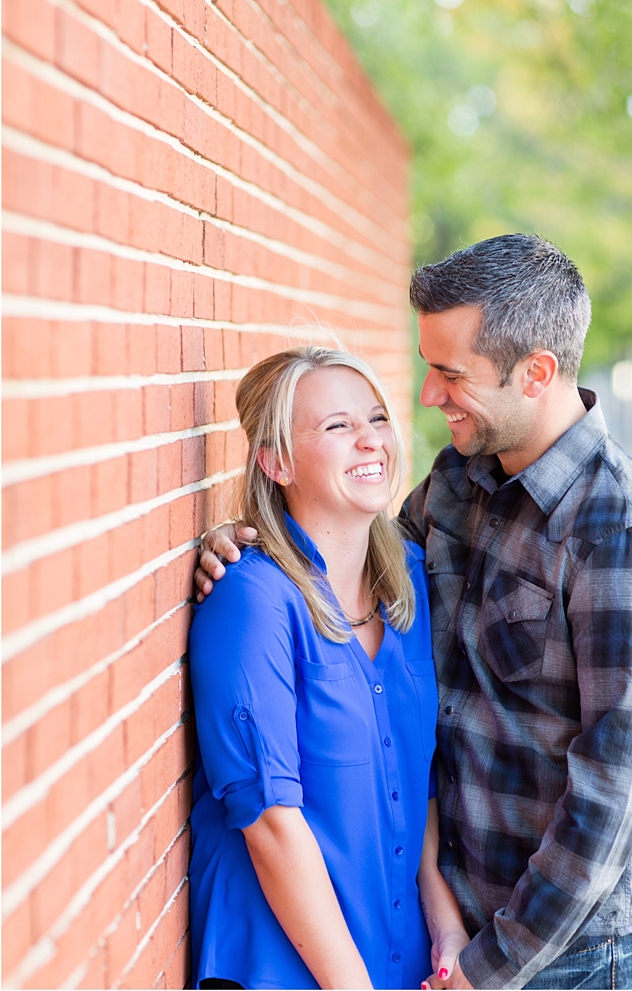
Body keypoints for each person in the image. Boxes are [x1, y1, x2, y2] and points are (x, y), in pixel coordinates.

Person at [197, 235, 632, 988]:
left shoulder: (617, 529)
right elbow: (342, 551)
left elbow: (618, 789)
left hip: (573, 953)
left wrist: (491, 965)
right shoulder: (456, 485)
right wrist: (243, 538)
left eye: (451, 374)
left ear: (536, 373)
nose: (427, 396)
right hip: (454, 934)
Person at [187, 347, 455, 988]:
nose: (371, 440)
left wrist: (443, 917)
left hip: (398, 958)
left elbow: (414, 780)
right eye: (338, 425)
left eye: (377, 418)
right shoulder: (251, 599)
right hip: (282, 968)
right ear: (275, 462)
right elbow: (270, 824)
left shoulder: (411, 584)